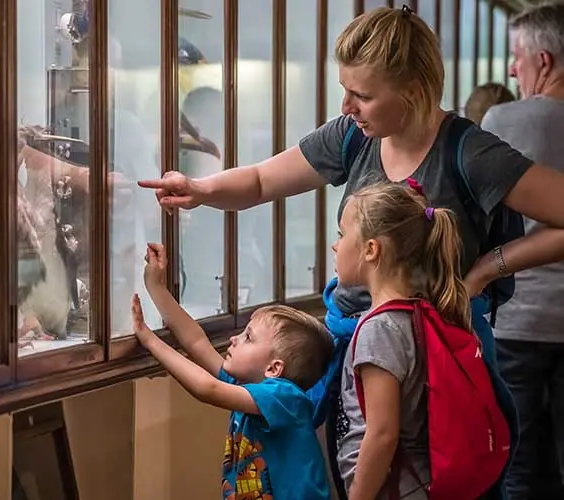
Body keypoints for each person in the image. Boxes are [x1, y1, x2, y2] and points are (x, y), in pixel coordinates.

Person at [138, 6, 564, 494]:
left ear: (413, 91)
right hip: (357, 353)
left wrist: (489, 268)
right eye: (345, 90)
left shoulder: (472, 154)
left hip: (432, 370)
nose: (346, 106)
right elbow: (259, 181)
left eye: (362, 95)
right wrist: (200, 189)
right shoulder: (353, 137)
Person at [131, 243, 334, 499]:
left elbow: (207, 389)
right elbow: (196, 342)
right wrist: (156, 287)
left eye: (248, 337)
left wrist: (149, 340)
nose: (234, 339)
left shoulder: (285, 397)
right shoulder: (247, 385)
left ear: (274, 368)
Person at [332, 182, 472, 500]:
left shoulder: (379, 330)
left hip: (394, 489)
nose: (335, 246)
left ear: (371, 249)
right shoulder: (420, 311)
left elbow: (382, 435)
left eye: (342, 234)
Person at [479, 4, 564, 499]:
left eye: (517, 57)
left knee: (518, 464)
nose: (513, 70)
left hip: (518, 320)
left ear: (544, 61)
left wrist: (484, 271)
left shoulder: (501, 120)